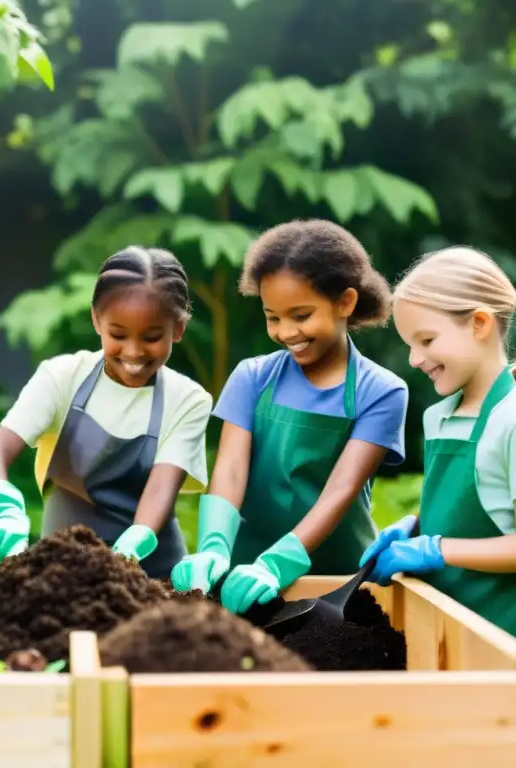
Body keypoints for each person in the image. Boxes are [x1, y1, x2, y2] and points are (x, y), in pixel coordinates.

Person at [171, 219, 409, 614]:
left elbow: (340, 491)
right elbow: (229, 470)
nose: (286, 331)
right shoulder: (253, 376)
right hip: (242, 578)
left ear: (345, 303)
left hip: (337, 587)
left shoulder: (381, 391)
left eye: (301, 315)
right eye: (273, 317)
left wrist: (277, 564)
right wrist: (214, 547)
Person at [361, 246, 516, 661]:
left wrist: (434, 549)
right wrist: (416, 529)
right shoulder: (439, 416)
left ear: (479, 323)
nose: (415, 359)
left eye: (427, 340)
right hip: (451, 623)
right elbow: (466, 513)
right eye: (409, 344)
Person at [0, 246, 212, 579]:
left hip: (151, 573)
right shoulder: (61, 377)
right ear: (96, 320)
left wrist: (130, 550)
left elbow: (161, 489)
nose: (134, 351)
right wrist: (2, 509)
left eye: (152, 337)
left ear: (178, 328)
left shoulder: (188, 399)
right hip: (64, 568)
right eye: (118, 335)